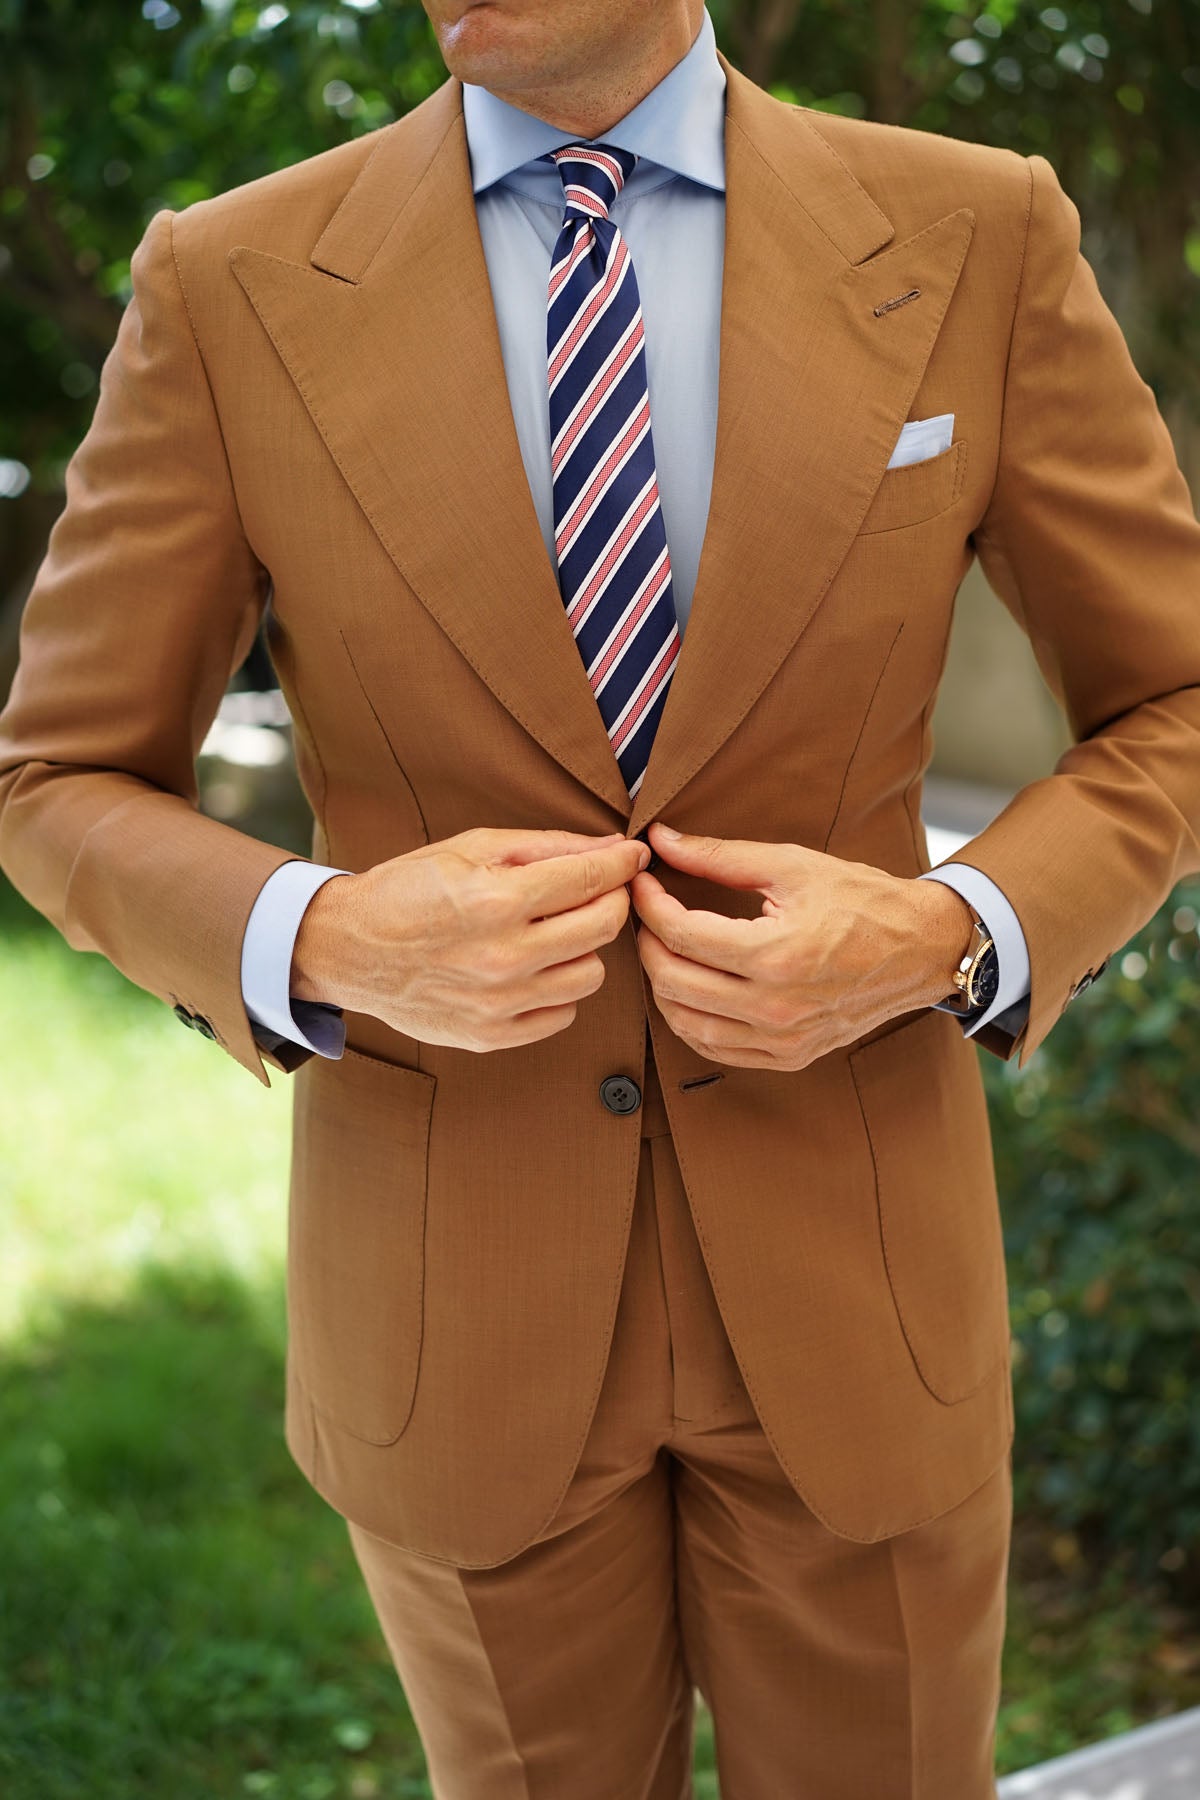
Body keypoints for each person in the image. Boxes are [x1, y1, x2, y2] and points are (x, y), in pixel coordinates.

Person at [2, 0, 1198, 1792]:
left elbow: (1170, 699)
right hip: (452, 1312)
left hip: (858, 1278)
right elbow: (57, 778)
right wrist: (320, 936)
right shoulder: (230, 279)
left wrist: (952, 931)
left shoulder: (975, 229)